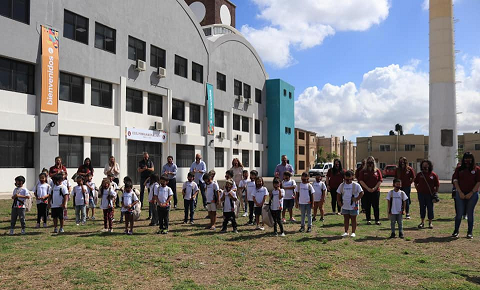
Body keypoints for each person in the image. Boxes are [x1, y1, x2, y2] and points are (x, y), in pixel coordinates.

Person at [452, 152, 480, 238]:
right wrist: (460, 192)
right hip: (460, 193)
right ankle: (456, 231)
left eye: (470, 158)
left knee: (470, 213)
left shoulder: (477, 169)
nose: (468, 160)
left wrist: (471, 193)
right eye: (466, 158)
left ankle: (469, 232)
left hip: (472, 194)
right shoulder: (459, 169)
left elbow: (478, 182)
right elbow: (455, 180)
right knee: (459, 213)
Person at [414, 159, 439, 230]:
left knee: (430, 208)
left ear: (429, 166)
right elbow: (415, 182)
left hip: (430, 195)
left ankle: (430, 222)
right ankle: (422, 222)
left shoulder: (433, 175)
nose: (425, 166)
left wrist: (435, 193)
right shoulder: (419, 174)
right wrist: (418, 189)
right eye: (423, 165)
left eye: (426, 165)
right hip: (421, 194)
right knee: (422, 208)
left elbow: (437, 185)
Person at [337, 170, 363, 238]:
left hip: (353, 205)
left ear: (352, 178)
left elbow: (362, 193)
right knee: (346, 218)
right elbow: (338, 193)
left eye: (349, 179)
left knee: (353, 218)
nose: (347, 181)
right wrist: (339, 201)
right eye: (346, 179)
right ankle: (346, 231)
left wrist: (357, 199)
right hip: (345, 205)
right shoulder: (342, 185)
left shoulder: (356, 185)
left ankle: (353, 232)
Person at [358, 156, 383, 225]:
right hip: (366, 191)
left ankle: (377, 220)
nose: (370, 163)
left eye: (372, 161)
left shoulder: (377, 171)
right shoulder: (363, 171)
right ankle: (368, 220)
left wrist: (374, 188)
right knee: (367, 206)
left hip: (376, 191)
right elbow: (361, 180)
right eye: (369, 161)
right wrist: (367, 188)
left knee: (376, 206)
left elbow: (380, 180)